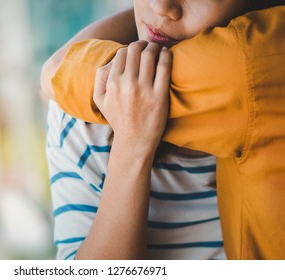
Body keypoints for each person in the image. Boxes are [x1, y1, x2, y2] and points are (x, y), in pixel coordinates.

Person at [42, 2, 285, 259]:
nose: (161, 5)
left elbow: (56, 73)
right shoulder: (82, 124)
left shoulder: (257, 72)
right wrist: (132, 148)